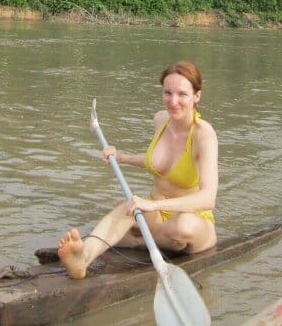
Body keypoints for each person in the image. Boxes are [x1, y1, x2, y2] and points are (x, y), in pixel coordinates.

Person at [57, 61, 218, 279]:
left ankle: (135, 240)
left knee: (182, 226)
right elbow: (158, 162)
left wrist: (153, 205)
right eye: (167, 93)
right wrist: (122, 157)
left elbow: (208, 198)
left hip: (193, 224)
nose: (173, 101)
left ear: (196, 96)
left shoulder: (204, 135)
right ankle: (82, 258)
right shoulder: (161, 119)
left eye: (182, 94)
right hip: (158, 219)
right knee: (129, 207)